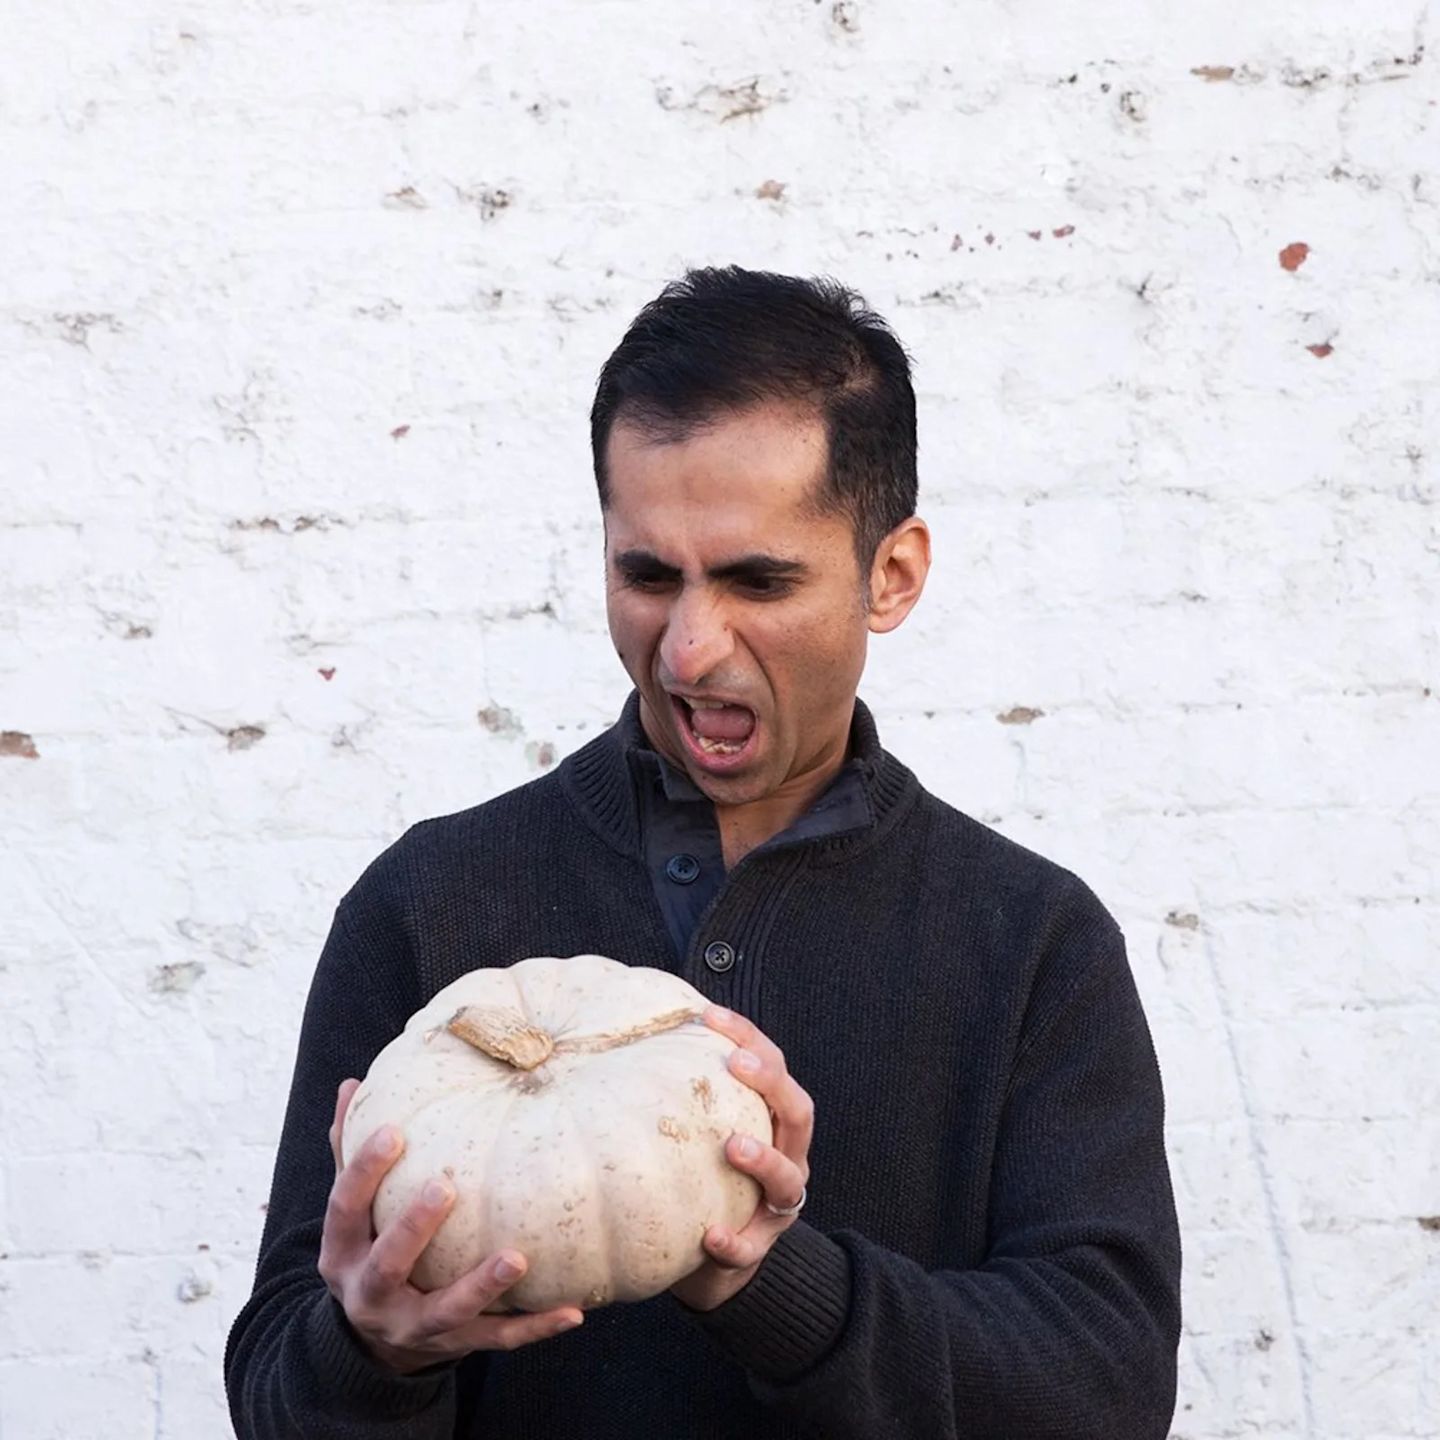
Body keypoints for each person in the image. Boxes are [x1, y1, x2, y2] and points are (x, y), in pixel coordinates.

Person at [225, 266, 1182, 1439]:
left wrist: (768, 1281)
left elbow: (1106, 1390)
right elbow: (276, 1392)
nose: (687, 649)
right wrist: (370, 1348)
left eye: (756, 580)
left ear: (892, 574)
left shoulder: (1032, 939)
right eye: (646, 575)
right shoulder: (430, 902)